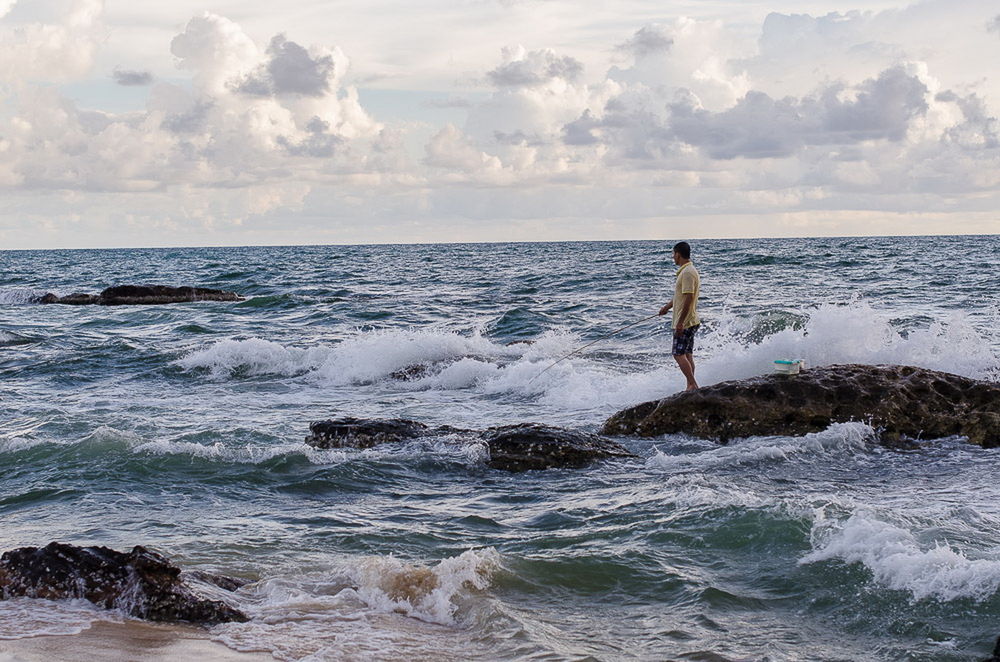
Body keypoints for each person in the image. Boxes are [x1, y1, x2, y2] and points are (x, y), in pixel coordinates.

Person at [658, 241, 700, 390]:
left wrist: (680, 322)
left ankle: (693, 384)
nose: (672, 257)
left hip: (686, 321)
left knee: (678, 354)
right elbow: (679, 296)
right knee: (687, 354)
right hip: (691, 320)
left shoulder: (687, 272)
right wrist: (666, 308)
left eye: (673, 254)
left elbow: (688, 297)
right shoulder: (687, 270)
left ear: (678, 254)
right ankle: (690, 384)